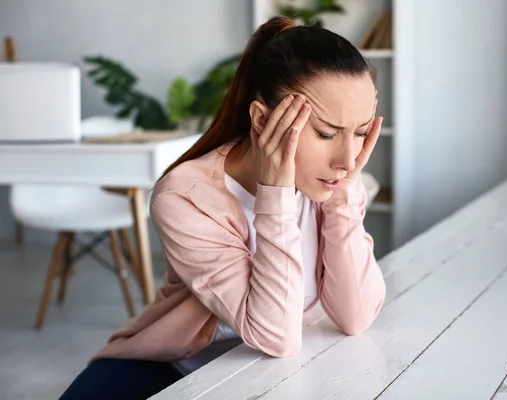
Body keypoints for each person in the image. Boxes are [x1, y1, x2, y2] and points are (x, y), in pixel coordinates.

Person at [59, 15, 386, 400]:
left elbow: (355, 316)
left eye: (362, 132)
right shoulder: (185, 196)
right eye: (327, 133)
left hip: (278, 375)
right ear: (263, 120)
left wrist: (346, 193)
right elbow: (275, 336)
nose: (348, 159)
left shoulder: (329, 183)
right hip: (179, 367)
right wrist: (275, 192)